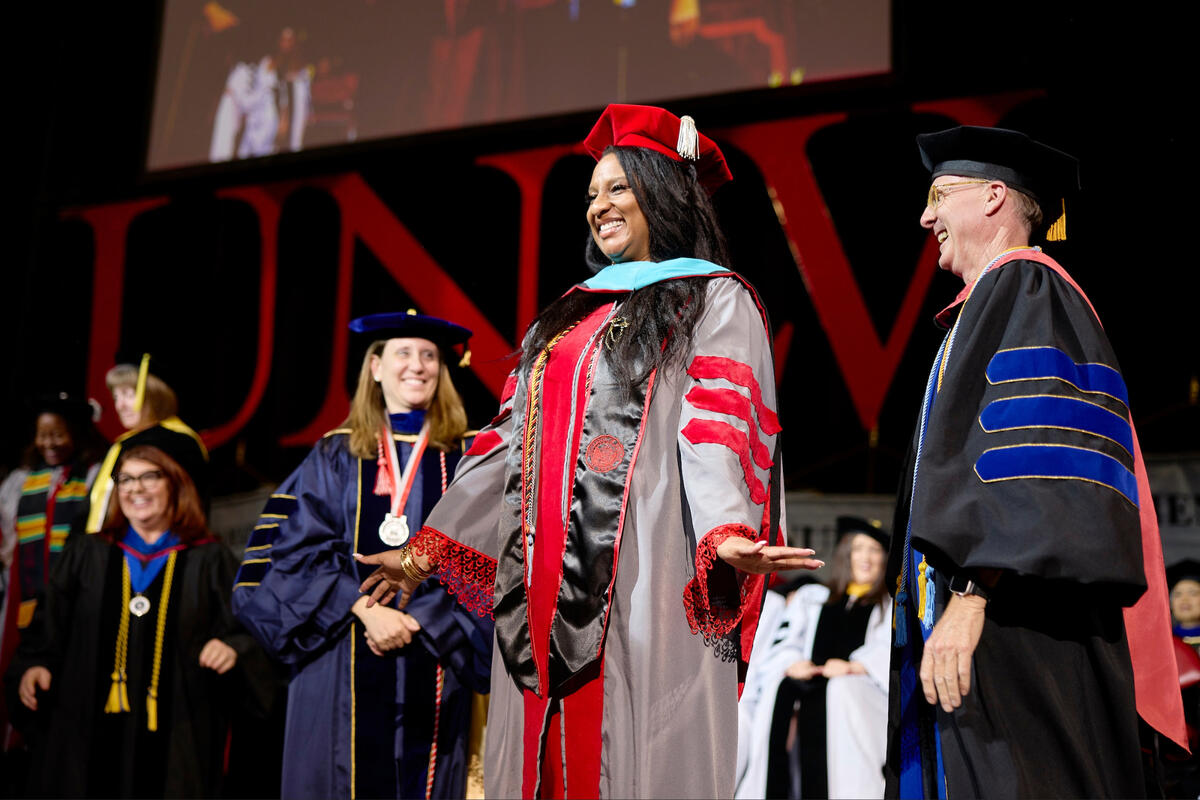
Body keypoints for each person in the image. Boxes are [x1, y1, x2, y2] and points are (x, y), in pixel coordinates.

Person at [355, 104, 822, 799]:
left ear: (661, 193)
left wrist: (725, 531)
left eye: (617, 188)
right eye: (591, 194)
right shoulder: (566, 317)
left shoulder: (713, 299)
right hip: (539, 586)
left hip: (646, 571)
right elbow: (506, 443)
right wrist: (423, 551)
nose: (598, 206)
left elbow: (718, 424)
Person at [886, 125, 1186, 797]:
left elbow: (1039, 468)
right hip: (996, 619)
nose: (926, 217)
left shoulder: (1026, 286)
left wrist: (972, 596)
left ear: (994, 196)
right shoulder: (988, 303)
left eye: (939, 195)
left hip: (1018, 625)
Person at [231, 311, 493, 800]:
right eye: (403, 353)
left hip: (437, 655)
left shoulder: (470, 455)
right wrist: (364, 608)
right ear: (375, 367)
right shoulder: (336, 454)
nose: (417, 365)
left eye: (429, 355)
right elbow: (292, 549)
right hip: (342, 649)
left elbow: (484, 554)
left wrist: (419, 618)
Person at [4, 441, 264, 797]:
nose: (135, 489)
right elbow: (47, 627)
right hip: (85, 737)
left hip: (177, 741)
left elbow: (252, 632)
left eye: (149, 477)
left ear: (176, 484)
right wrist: (35, 665)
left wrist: (233, 648)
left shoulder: (210, 560)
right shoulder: (87, 554)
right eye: (125, 479)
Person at [737, 516, 892, 799]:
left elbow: (888, 651)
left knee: (841, 689)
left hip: (852, 698)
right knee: (779, 688)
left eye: (874, 550)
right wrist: (793, 663)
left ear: (884, 559)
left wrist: (855, 666)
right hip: (808, 690)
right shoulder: (814, 599)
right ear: (846, 555)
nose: (866, 558)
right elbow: (787, 643)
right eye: (858, 549)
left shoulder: (888, 607)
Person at [0, 393, 105, 767]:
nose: (49, 443)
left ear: (76, 433)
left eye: (58, 434)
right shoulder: (20, 481)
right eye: (43, 435)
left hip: (74, 592)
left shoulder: (92, 476)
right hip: (24, 592)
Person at [85, 353, 209, 533]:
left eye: (128, 395)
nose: (120, 406)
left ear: (154, 394)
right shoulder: (121, 445)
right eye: (116, 397)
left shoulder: (179, 443)